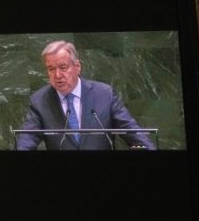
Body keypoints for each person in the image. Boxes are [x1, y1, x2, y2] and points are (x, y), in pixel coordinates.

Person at [15, 40, 156, 151]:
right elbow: (26, 139)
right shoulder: (40, 101)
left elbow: (131, 130)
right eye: (51, 69)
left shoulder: (104, 94)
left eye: (63, 67)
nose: (57, 75)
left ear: (77, 66)